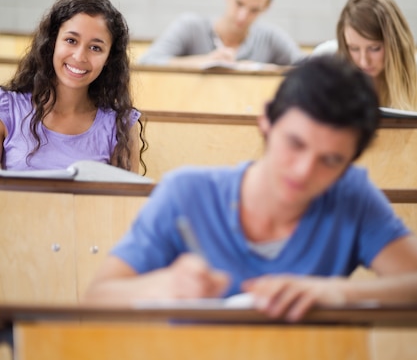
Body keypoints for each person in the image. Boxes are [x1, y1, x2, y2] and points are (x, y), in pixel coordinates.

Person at [84, 55, 417, 320]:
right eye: (295, 143)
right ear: (267, 120)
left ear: (349, 163)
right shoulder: (186, 193)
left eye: (330, 160)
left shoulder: (351, 196)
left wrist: (337, 294)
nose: (303, 171)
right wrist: (164, 286)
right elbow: (97, 298)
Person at [0, 0, 147, 173]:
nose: (79, 56)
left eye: (95, 48)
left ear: (109, 57)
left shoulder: (119, 125)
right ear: (53, 42)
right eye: (71, 40)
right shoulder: (6, 108)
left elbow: (126, 201)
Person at [139, 0, 303, 69]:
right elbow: (147, 63)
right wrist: (207, 61)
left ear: (266, 7)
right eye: (239, 4)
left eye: (254, 10)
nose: (242, 16)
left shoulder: (270, 38)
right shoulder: (190, 26)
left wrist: (260, 68)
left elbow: (309, 70)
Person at [313, 0, 417, 110]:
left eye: (374, 48)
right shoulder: (326, 61)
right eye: (354, 48)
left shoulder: (414, 70)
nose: (364, 62)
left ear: (394, 45)